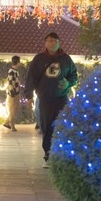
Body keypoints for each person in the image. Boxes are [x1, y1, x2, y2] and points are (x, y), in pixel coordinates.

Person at [23, 32, 78, 168]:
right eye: (49, 41)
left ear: (59, 43)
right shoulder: (39, 59)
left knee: (62, 126)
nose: (52, 43)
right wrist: (29, 96)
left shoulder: (66, 59)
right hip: (45, 99)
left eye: (55, 41)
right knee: (47, 127)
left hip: (61, 98)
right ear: (45, 43)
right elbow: (31, 78)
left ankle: (61, 155)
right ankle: (48, 155)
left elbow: (74, 75)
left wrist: (68, 83)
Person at [3, 55, 21, 132]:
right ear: (17, 62)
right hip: (13, 93)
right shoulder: (11, 71)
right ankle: (12, 125)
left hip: (16, 92)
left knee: (15, 109)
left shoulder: (16, 71)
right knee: (13, 109)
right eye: (20, 62)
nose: (21, 63)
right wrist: (12, 92)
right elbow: (10, 82)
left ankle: (7, 122)